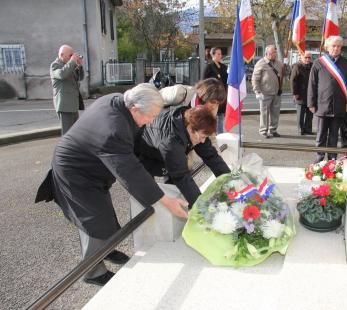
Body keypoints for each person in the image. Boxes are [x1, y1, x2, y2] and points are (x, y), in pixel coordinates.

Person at [35, 84, 188, 286]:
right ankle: (92, 272)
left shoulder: (119, 100)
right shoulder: (113, 128)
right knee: (93, 221)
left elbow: (134, 155)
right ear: (135, 109)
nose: (151, 121)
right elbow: (130, 172)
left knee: (104, 214)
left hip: (91, 168)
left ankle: (106, 249)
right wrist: (165, 200)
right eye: (150, 116)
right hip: (75, 173)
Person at [135, 105, 231, 205]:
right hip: (140, 157)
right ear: (190, 128)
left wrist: (230, 182)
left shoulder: (194, 124)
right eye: (202, 137)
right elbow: (181, 175)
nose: (203, 141)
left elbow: (211, 156)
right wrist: (201, 206)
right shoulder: (171, 141)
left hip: (162, 151)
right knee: (149, 197)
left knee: (177, 189)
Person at [307, 36, 347, 162]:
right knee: (321, 135)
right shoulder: (318, 63)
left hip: (339, 106)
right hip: (322, 105)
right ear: (328, 47)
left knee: (334, 136)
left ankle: (332, 161)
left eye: (339, 46)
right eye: (333, 46)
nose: (336, 48)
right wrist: (311, 103)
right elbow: (312, 85)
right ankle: (319, 159)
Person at [50, 45, 85, 134]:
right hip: (64, 105)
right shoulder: (55, 65)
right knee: (67, 133)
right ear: (62, 55)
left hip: (73, 104)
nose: (72, 57)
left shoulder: (69, 64)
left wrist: (80, 66)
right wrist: (72, 61)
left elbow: (80, 78)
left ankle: (74, 148)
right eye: (70, 55)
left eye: (72, 55)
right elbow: (62, 74)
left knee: (75, 132)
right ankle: (66, 148)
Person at [252, 45, 284, 138]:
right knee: (264, 113)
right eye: (273, 52)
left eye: (275, 52)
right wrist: (257, 91)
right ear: (267, 53)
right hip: (265, 93)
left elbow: (285, 74)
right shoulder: (261, 63)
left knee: (275, 113)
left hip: (276, 92)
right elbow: (255, 78)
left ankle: (273, 130)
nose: (275, 54)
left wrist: (286, 66)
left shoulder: (279, 63)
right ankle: (263, 131)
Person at [203, 47, 228, 134]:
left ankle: (220, 134)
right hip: (213, 97)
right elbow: (204, 82)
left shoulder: (224, 67)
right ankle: (213, 135)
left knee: (220, 116)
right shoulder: (209, 67)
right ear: (212, 55)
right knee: (213, 117)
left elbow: (227, 81)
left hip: (222, 96)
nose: (220, 56)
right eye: (218, 54)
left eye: (221, 54)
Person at [290, 51, 313, 135]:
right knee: (300, 114)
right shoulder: (297, 66)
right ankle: (300, 129)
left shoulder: (313, 66)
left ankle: (308, 129)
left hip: (310, 94)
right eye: (305, 57)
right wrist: (294, 93)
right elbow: (293, 80)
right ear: (301, 58)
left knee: (310, 113)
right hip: (300, 94)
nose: (307, 59)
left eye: (309, 57)